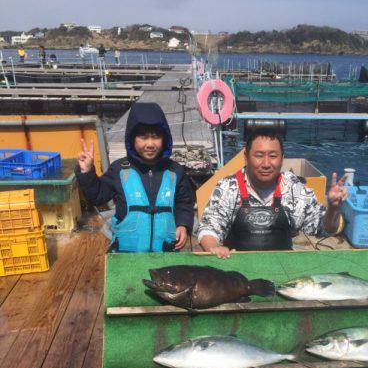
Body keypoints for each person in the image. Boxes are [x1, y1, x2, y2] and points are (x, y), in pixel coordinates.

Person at [198, 129, 348, 257]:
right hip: (235, 269)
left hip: (282, 267)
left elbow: (324, 229)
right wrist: (214, 247)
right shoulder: (228, 187)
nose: (266, 164)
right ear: (246, 158)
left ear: (282, 159)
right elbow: (209, 228)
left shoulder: (294, 187)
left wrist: (333, 209)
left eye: (273, 156)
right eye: (259, 155)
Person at [76, 102, 194, 253]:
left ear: (165, 138)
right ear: (132, 138)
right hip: (127, 255)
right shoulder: (119, 169)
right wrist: (87, 172)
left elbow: (184, 203)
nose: (150, 144)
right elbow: (97, 196)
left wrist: (183, 225)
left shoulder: (175, 171)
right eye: (143, 137)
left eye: (156, 137)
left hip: (166, 253)